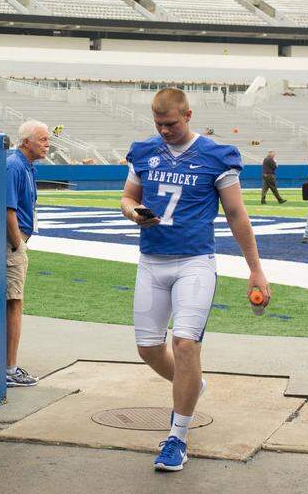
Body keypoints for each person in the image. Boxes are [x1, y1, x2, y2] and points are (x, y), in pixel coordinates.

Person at [121, 89, 269, 472]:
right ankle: (192, 384)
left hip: (194, 263)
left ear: (188, 115)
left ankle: (177, 438)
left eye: (170, 123)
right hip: (151, 261)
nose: (164, 130)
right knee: (149, 349)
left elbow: (236, 214)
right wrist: (134, 212)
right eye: (158, 124)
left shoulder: (216, 155)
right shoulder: (143, 151)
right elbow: (126, 197)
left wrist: (255, 268)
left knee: (185, 346)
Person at [5, 120, 50, 387]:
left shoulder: (25, 167)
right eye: (42, 139)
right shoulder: (14, 166)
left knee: (12, 303)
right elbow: (8, 210)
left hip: (15, 241)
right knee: (14, 303)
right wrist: (17, 244)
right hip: (12, 243)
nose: (47, 144)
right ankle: (9, 369)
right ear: (25, 142)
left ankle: (7, 365)